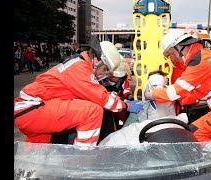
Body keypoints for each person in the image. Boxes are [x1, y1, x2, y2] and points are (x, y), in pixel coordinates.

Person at [14, 37, 144, 146]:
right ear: (96, 59)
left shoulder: (78, 64)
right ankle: (82, 158)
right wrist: (126, 106)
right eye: (105, 69)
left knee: (37, 156)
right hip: (33, 108)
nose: (104, 75)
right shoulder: (80, 68)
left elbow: (98, 93)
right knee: (92, 111)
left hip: (32, 110)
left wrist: (121, 101)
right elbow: (102, 98)